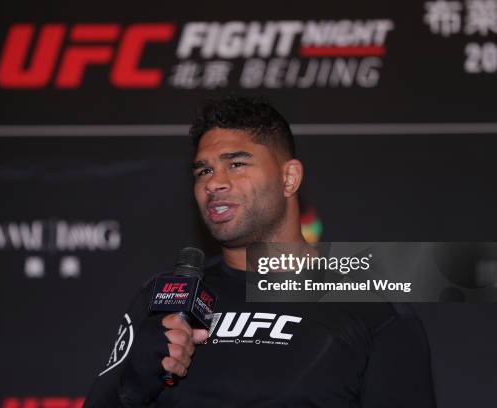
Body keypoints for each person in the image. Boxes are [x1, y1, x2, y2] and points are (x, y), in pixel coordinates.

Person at [83, 96, 436, 407]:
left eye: (236, 164)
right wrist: (132, 385)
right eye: (203, 170)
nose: (214, 182)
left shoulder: (376, 313)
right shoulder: (163, 300)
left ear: (289, 179)